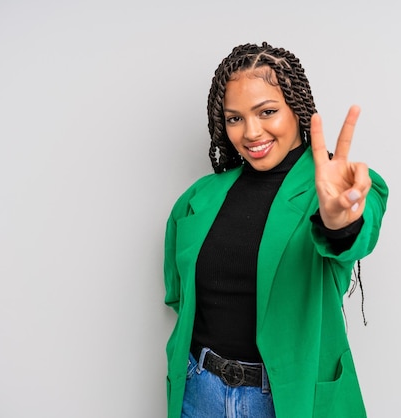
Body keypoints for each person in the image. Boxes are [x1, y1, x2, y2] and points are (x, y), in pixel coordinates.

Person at [163, 42, 388, 417]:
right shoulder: (198, 198)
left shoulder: (334, 184)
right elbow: (178, 296)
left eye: (267, 111)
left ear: (296, 109)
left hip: (286, 399)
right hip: (200, 391)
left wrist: (338, 222)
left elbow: (355, 235)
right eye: (235, 118)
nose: (251, 132)